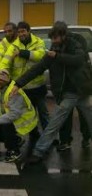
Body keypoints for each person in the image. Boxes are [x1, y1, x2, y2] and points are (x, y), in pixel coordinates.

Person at [12, 21, 92, 163]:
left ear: (63, 36)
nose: (53, 42)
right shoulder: (53, 51)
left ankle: (39, 151)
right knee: (56, 121)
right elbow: (37, 69)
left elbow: (78, 60)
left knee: (82, 119)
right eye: (52, 39)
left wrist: (57, 56)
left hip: (81, 90)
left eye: (55, 38)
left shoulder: (74, 44)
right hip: (68, 93)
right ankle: (39, 152)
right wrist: (18, 84)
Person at [0, 21, 49, 130]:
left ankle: (49, 137)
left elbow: (40, 56)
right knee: (28, 114)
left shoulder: (38, 42)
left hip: (38, 87)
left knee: (43, 113)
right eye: (19, 32)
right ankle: (33, 135)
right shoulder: (14, 45)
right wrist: (1, 73)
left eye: (23, 31)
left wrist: (22, 53)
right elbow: (5, 61)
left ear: (29, 31)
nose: (21, 34)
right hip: (22, 89)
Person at [0, 69, 38, 163]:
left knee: (5, 126)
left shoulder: (14, 91)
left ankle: (14, 151)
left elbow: (15, 114)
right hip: (16, 117)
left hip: (25, 120)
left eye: (0, 80)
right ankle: (16, 140)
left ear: (6, 80)